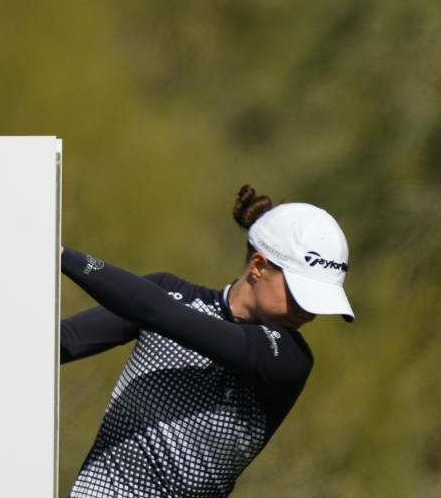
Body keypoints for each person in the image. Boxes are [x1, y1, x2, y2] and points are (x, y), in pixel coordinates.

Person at [60, 185, 353, 498]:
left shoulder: (289, 358)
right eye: (300, 295)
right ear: (258, 266)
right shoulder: (169, 293)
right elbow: (62, 342)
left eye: (318, 302)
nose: (308, 313)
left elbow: (159, 313)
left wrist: (61, 255)